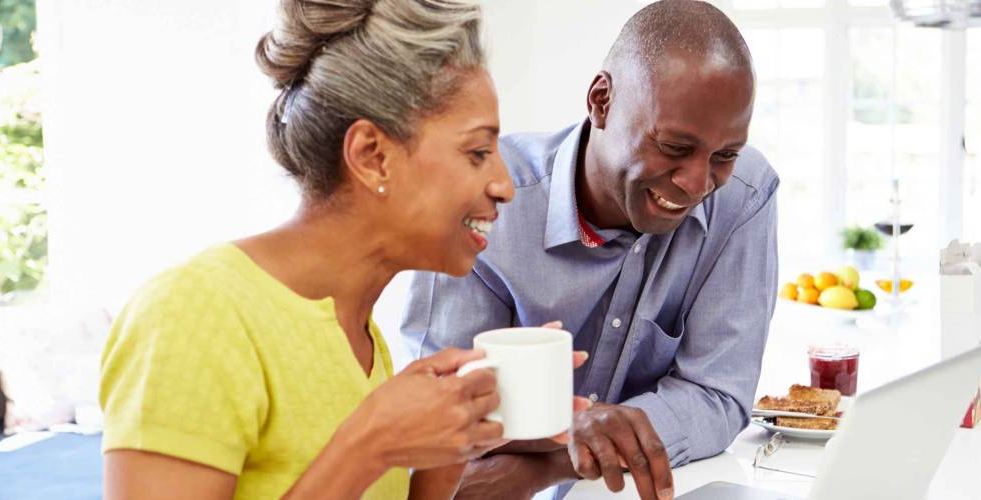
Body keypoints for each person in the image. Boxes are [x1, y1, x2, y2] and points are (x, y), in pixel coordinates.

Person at [99, 1, 584, 498]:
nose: (505, 185)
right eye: (478, 152)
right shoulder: (191, 315)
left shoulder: (363, 344)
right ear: (372, 156)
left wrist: (454, 449)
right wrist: (370, 444)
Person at [400, 1, 779, 499]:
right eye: (674, 147)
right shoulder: (485, 200)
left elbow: (717, 395)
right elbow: (440, 411)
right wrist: (575, 430)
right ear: (602, 101)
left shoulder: (745, 196)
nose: (696, 183)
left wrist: (557, 460)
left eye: (725, 155)